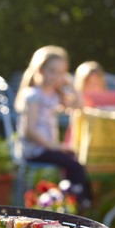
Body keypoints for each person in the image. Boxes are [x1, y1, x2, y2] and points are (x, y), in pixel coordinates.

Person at [14, 45, 93, 209]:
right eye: (52, 71)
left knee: (78, 159)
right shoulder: (34, 95)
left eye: (61, 72)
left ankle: (74, 198)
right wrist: (55, 146)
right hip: (34, 150)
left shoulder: (54, 94)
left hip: (49, 148)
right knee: (73, 164)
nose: (56, 76)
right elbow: (29, 130)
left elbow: (80, 106)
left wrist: (71, 85)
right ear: (39, 70)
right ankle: (78, 201)